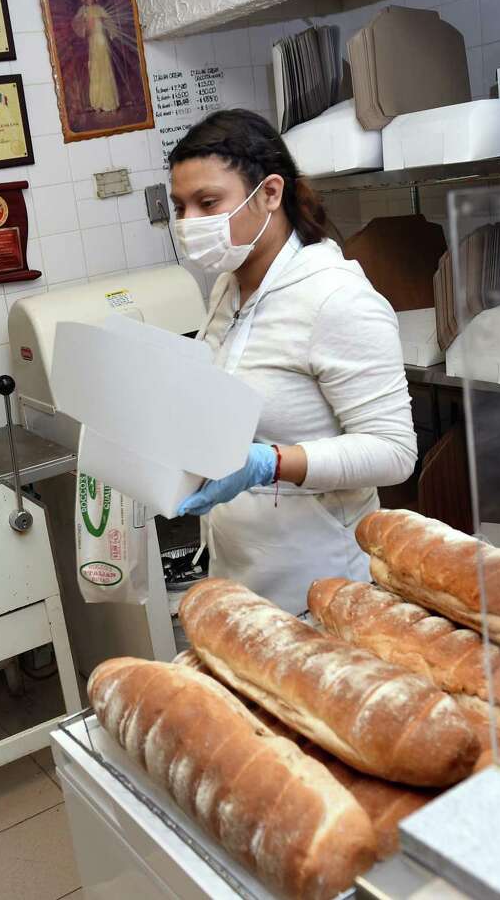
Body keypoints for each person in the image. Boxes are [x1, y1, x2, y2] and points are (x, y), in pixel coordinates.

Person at [169, 109, 417, 613]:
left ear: (270, 193)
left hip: (323, 578)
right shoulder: (228, 285)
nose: (188, 223)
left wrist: (271, 463)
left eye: (208, 202)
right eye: (180, 206)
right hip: (241, 569)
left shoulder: (336, 298)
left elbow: (394, 454)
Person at [71, 0, 119, 113]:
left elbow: (109, 22)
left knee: (106, 70)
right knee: (95, 71)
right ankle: (97, 104)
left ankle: (110, 104)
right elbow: (76, 24)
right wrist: (86, 26)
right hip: (92, 43)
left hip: (102, 42)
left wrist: (111, 33)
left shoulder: (99, 9)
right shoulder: (83, 10)